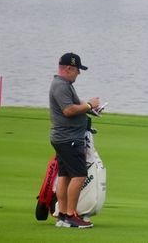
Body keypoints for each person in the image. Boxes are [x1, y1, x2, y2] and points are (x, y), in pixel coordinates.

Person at [49, 52, 101, 229]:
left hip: (65, 138)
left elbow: (76, 106)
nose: (79, 73)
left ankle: (63, 215)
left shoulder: (66, 84)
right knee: (79, 175)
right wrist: (88, 105)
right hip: (68, 138)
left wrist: (90, 109)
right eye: (77, 70)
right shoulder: (61, 86)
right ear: (69, 68)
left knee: (65, 175)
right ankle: (71, 215)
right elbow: (69, 111)